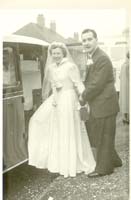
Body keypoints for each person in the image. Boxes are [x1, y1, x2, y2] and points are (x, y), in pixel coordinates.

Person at [28, 42, 96, 178]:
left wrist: (83, 100)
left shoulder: (70, 67)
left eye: (58, 53)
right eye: (54, 53)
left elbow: (78, 83)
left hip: (69, 99)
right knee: (38, 121)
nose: (56, 56)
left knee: (68, 129)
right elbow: (53, 84)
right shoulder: (51, 68)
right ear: (51, 55)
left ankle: (73, 163)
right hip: (56, 100)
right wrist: (53, 98)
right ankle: (59, 163)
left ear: (63, 53)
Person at [79, 29, 122, 177]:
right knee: (104, 134)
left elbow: (97, 84)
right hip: (102, 103)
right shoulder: (92, 56)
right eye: (84, 40)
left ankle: (104, 168)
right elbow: (90, 80)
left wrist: (83, 96)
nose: (86, 43)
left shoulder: (101, 58)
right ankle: (115, 160)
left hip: (105, 103)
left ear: (96, 40)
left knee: (103, 135)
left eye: (89, 39)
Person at [119, 51, 129, 124]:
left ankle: (125, 118)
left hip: (123, 87)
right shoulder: (128, 65)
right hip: (128, 87)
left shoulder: (123, 64)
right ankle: (127, 118)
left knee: (125, 102)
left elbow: (119, 76)